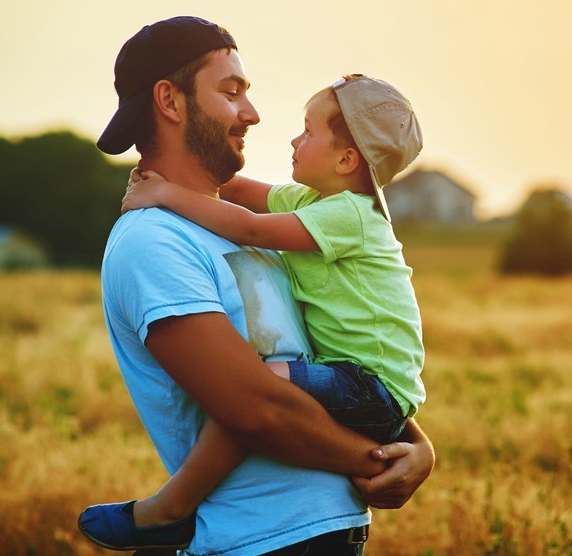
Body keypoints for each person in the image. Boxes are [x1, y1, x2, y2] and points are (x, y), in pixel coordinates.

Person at [78, 16, 434, 555]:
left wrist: (416, 446)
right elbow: (257, 412)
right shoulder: (154, 241)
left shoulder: (273, 231)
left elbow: (330, 361)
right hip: (261, 542)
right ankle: (166, 512)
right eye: (231, 91)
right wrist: (378, 459)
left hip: (326, 528)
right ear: (170, 102)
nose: (254, 113)